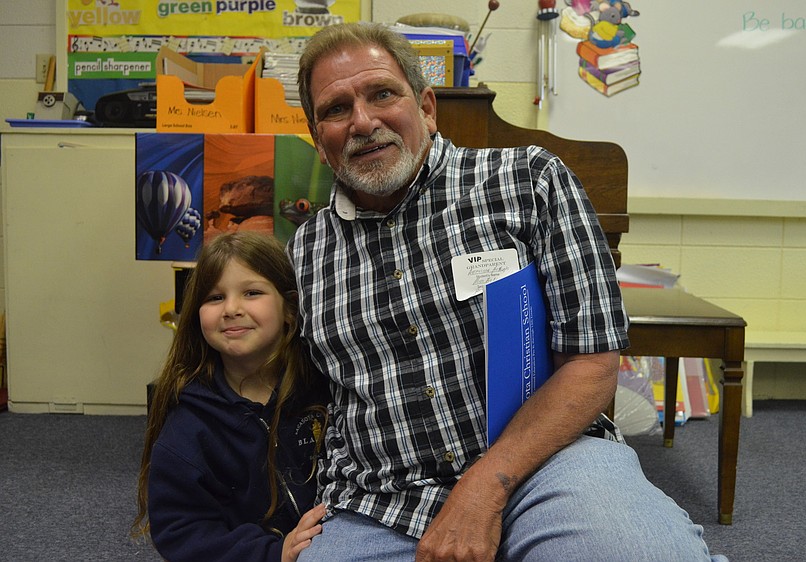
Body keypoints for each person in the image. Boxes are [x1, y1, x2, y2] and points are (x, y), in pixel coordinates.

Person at [289, 22, 725, 562]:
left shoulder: (529, 182)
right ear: (317, 137)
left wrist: (483, 488)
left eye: (382, 94)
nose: (363, 121)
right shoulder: (305, 250)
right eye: (335, 109)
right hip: (381, 501)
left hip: (547, 465)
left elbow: (591, 364)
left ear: (426, 107)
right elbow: (306, 397)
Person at [132, 232, 330, 562]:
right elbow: (181, 531)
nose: (232, 309)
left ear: (289, 310)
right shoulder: (190, 425)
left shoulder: (323, 388)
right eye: (214, 298)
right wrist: (272, 553)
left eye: (252, 293)